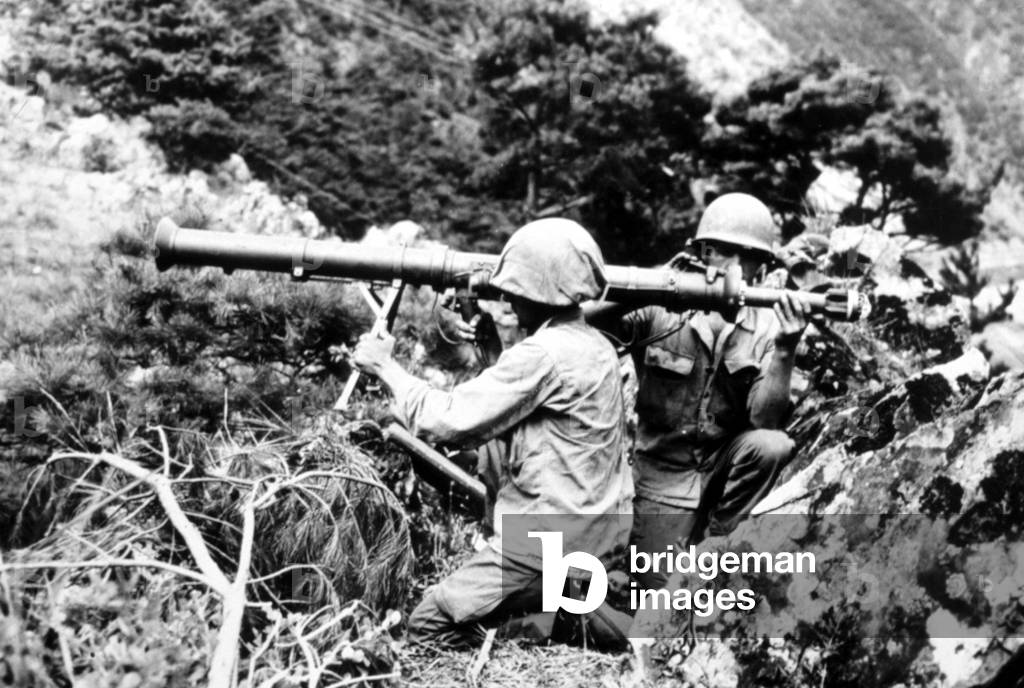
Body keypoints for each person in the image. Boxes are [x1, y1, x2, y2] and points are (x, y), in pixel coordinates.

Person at [352, 218, 634, 646]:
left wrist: (384, 367)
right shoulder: (591, 344)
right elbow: (519, 410)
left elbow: (445, 421)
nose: (506, 296)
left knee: (427, 624)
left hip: (545, 543)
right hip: (593, 534)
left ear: (536, 290)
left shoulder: (545, 353)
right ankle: (565, 605)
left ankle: (544, 623)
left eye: (514, 288)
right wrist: (490, 346)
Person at [585, 192, 810, 588]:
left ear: (763, 266)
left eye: (749, 256)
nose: (737, 268)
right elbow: (584, 328)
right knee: (656, 597)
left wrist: (786, 348)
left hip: (721, 468)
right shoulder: (661, 307)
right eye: (725, 252)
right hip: (661, 479)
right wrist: (650, 288)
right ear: (703, 252)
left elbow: (764, 419)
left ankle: (722, 542)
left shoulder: (768, 327)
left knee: (771, 445)